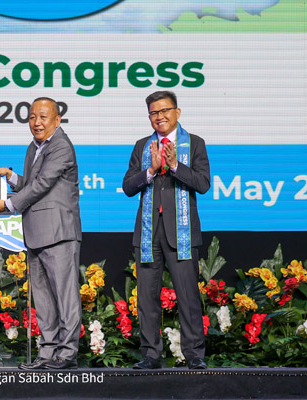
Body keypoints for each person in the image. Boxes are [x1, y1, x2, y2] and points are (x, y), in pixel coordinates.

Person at [0, 97, 82, 370]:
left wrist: (6, 205)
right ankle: (48, 351)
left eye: (42, 117)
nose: (36, 122)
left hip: (59, 233)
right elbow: (32, 183)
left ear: (57, 120)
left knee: (64, 296)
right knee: (43, 298)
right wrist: (11, 177)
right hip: (37, 233)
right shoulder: (34, 147)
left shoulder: (61, 146)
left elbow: (42, 184)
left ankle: (67, 353)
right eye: (31, 117)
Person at [122, 91, 210, 370]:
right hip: (148, 233)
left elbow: (203, 184)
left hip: (181, 232)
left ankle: (194, 355)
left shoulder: (194, 144)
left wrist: (174, 166)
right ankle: (151, 354)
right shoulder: (142, 146)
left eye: (164, 111)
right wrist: (151, 170)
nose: (159, 117)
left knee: (188, 295)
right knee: (147, 298)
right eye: (153, 113)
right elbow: (128, 187)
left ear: (177, 112)